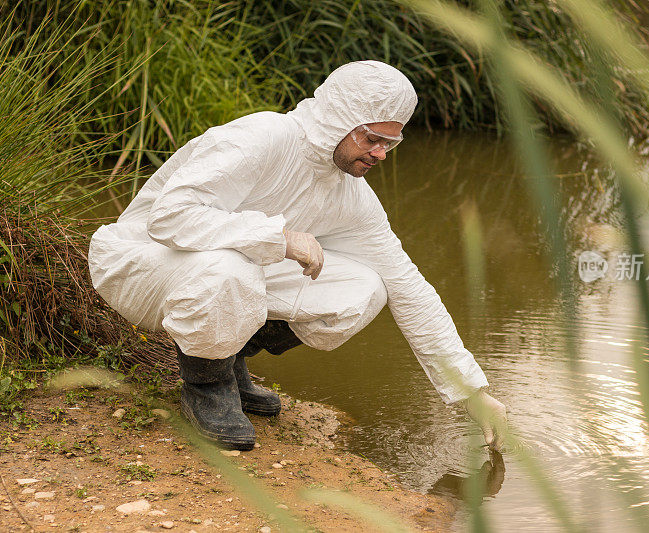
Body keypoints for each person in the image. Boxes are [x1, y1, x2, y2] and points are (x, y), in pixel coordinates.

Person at [88, 60, 507, 452]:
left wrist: (472, 392)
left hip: (221, 274)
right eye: (372, 139)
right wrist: (280, 238)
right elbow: (170, 218)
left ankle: (229, 358)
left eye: (390, 143)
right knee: (230, 266)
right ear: (339, 118)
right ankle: (206, 385)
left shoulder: (352, 195)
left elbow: (408, 286)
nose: (379, 153)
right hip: (142, 263)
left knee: (366, 287)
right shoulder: (263, 137)